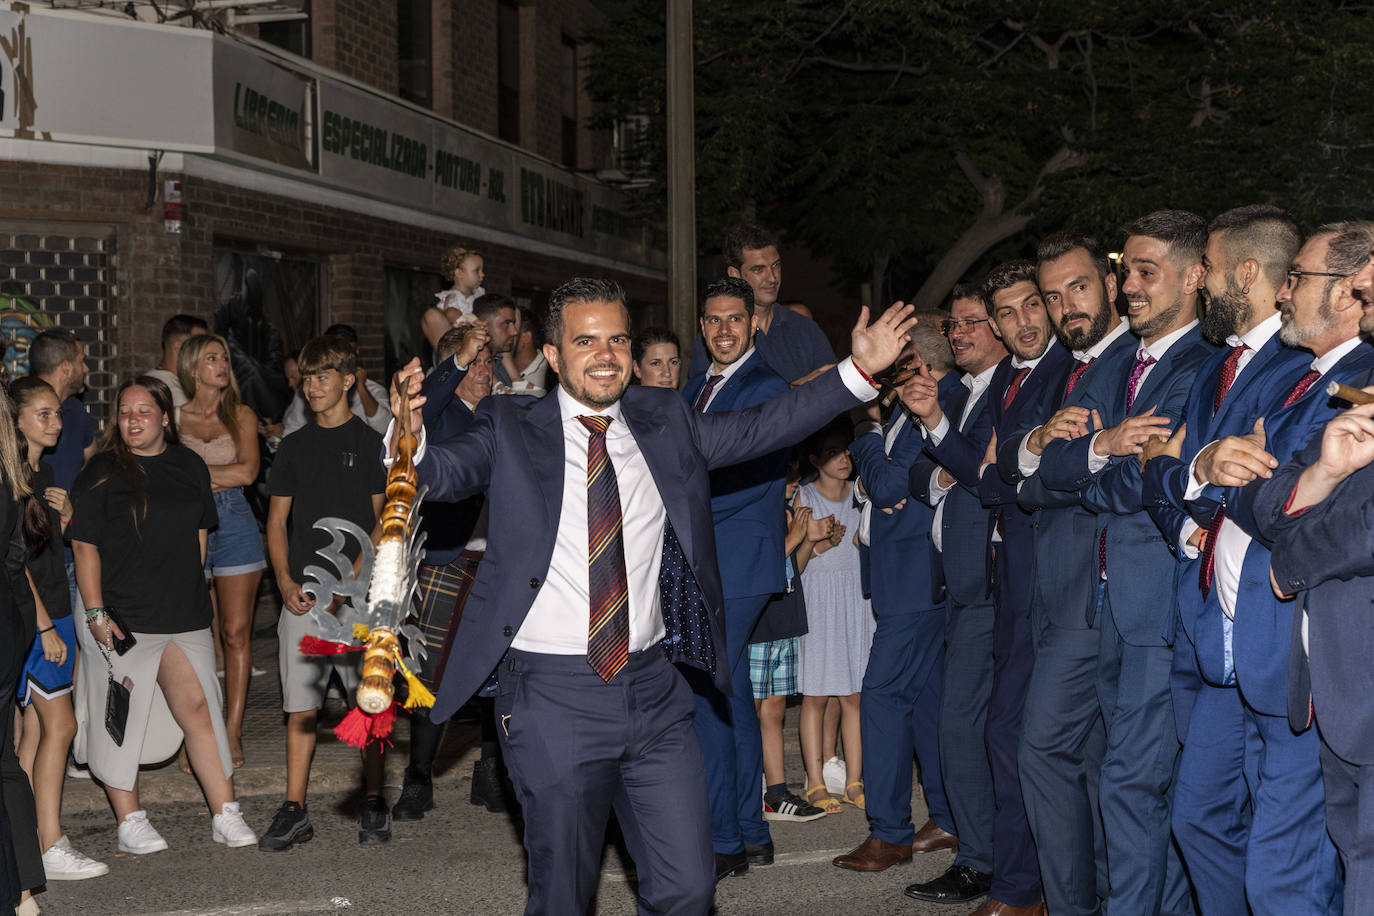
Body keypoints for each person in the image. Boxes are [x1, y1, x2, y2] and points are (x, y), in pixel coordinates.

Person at [387, 277, 914, 915]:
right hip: (552, 694)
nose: (604, 355)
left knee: (689, 886)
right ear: (552, 355)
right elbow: (442, 473)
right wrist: (408, 438)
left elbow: (763, 426)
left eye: (617, 340)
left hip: (654, 688)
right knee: (563, 894)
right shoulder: (509, 423)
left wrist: (857, 372)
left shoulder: (664, 419)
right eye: (585, 341)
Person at [1175, 223, 1374, 915]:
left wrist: (1258, 482)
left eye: (1300, 278)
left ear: (1347, 293)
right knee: (1204, 823)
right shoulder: (1294, 376)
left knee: (1292, 878)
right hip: (1242, 642)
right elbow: (1253, 482)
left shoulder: (1358, 381)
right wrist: (1214, 467)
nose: (1284, 292)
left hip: (1308, 652)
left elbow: (1291, 506)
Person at [1037, 210, 1217, 916]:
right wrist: (1106, 452)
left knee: (1131, 784)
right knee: (1135, 785)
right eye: (1127, 270)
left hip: (1158, 604)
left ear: (1195, 276)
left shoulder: (1200, 364)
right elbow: (1054, 464)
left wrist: (1100, 465)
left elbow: (1140, 480)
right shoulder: (1118, 362)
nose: (1130, 285)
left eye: (1148, 271)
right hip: (1109, 601)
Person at [998, 233, 1136, 916]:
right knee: (1086, 764)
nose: (1064, 307)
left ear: (1110, 285)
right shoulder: (1059, 371)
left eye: (1077, 287)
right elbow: (1012, 473)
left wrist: (1052, 465)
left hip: (1096, 595)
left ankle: (1074, 904)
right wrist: (1039, 445)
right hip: (1051, 594)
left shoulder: (1134, 362)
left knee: (1044, 751)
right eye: (1052, 297)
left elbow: (1093, 479)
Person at [69, 376, 256, 855]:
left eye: (144, 412)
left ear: (165, 418)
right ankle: (130, 820)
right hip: (123, 615)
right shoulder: (102, 471)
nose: (132, 420)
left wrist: (190, 589)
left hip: (182, 612)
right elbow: (84, 546)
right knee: (121, 717)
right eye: (125, 412)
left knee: (200, 708)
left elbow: (199, 535)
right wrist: (95, 612)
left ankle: (225, 813)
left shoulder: (189, 464)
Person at [1252, 244, 1374, 914]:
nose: (1362, 283)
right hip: (1336, 677)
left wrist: (1289, 561)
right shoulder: (1354, 386)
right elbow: (1270, 501)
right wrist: (1325, 472)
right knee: (1352, 863)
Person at [834, 318, 958, 874]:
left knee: (881, 700)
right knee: (926, 705)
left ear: (915, 366)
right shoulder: (909, 415)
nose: (878, 375)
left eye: (889, 365)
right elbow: (879, 488)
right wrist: (875, 474)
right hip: (905, 582)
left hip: (916, 585)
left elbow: (885, 487)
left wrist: (864, 429)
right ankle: (949, 817)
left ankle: (889, 834)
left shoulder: (933, 410)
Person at [967, 259, 1071, 916]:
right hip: (1008, 575)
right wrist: (1000, 471)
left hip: (1053, 575)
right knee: (1008, 734)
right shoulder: (1006, 377)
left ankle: (1022, 888)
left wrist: (1000, 470)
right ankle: (1023, 884)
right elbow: (984, 475)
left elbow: (1022, 474)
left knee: (1019, 736)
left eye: (1032, 305)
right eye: (1007, 313)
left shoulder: (1072, 370)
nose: (1024, 321)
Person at [682, 277, 793, 879]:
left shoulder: (766, 386)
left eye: (734, 319)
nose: (723, 330)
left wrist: (674, 512)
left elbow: (749, 481)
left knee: (708, 693)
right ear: (702, 327)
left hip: (741, 561)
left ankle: (723, 839)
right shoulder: (697, 386)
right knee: (733, 698)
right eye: (713, 320)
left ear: (754, 323)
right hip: (711, 560)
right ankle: (750, 833)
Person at [902, 284, 1008, 905]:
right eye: (954, 324)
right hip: (959, 583)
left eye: (971, 322)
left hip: (989, 585)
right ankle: (983, 854)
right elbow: (920, 471)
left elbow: (981, 471)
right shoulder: (961, 392)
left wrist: (947, 446)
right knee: (964, 724)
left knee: (962, 726)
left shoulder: (1007, 389)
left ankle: (979, 862)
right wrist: (948, 462)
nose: (958, 333)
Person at [259, 336, 387, 850]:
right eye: (307, 378)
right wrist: (284, 580)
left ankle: (373, 799)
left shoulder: (371, 442)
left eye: (323, 376)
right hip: (305, 594)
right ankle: (295, 809)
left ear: (348, 380)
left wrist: (348, 582)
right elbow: (276, 522)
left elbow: (383, 522)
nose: (312, 386)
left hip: (357, 595)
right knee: (301, 706)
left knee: (368, 702)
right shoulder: (294, 446)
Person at [394, 327, 508, 822]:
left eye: (486, 361)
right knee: (429, 675)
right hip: (446, 560)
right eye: (472, 361)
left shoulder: (501, 414)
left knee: (498, 672)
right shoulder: (437, 414)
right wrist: (455, 362)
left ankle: (491, 774)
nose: (483, 369)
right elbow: (430, 399)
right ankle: (418, 778)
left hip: (500, 564)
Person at [11, 378, 107, 881]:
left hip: (55, 612)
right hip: (37, 618)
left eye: (57, 413)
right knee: (61, 726)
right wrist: (45, 625)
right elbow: (12, 561)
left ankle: (23, 839)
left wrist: (68, 515)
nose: (55, 423)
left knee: (34, 731)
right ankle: (49, 843)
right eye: (43, 414)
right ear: (16, 419)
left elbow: (49, 550)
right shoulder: (12, 478)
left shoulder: (43, 473)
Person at [176, 333, 266, 770]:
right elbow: (162, 473)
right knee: (190, 634)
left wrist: (191, 473)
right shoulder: (174, 418)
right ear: (193, 368)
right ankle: (192, 731)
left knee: (235, 633)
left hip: (234, 523)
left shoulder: (241, 414)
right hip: (183, 526)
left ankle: (232, 730)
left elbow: (247, 473)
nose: (223, 365)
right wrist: (211, 474)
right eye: (212, 358)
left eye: (225, 358)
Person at [795, 420, 874, 816]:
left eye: (847, 451)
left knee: (853, 695)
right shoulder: (806, 497)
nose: (843, 459)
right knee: (815, 695)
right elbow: (796, 564)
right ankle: (816, 781)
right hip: (819, 601)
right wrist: (819, 542)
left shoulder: (861, 495)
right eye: (832, 452)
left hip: (855, 601)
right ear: (814, 459)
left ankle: (855, 780)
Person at [750, 456, 827, 825]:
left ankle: (776, 793)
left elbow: (793, 567)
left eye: (797, 469)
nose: (797, 477)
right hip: (758, 623)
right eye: (788, 470)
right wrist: (796, 536)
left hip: (784, 619)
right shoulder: (755, 512)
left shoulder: (786, 511)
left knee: (775, 710)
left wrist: (808, 540)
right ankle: (747, 791)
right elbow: (757, 563)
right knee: (750, 711)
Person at [689, 223, 836, 384]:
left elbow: (834, 390)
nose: (772, 278)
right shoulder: (718, 337)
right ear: (735, 274)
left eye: (776, 265)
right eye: (759, 269)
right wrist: (797, 388)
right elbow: (714, 398)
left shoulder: (805, 328)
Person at [281, 324, 391, 437]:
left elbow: (383, 428)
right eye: (307, 379)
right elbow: (291, 429)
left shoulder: (373, 390)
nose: (312, 388)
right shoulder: (305, 393)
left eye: (321, 378)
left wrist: (361, 387)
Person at [420, 244, 487, 350]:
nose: (482, 274)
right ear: (459, 273)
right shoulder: (450, 299)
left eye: (482, 270)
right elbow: (444, 327)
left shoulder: (481, 294)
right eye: (477, 271)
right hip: (459, 344)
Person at [145, 314, 208, 408]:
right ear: (179, 347)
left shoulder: (181, 382)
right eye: (200, 345)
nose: (206, 350)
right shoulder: (171, 392)